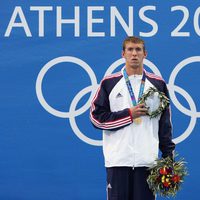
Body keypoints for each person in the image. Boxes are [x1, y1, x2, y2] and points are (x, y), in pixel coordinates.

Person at [90, 36, 175, 200]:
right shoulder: (109, 83)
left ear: (145, 54)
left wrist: (168, 159)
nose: (134, 54)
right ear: (123, 54)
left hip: (147, 162)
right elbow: (96, 118)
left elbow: (165, 126)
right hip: (118, 161)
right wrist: (129, 115)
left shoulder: (158, 84)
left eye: (138, 50)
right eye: (130, 50)